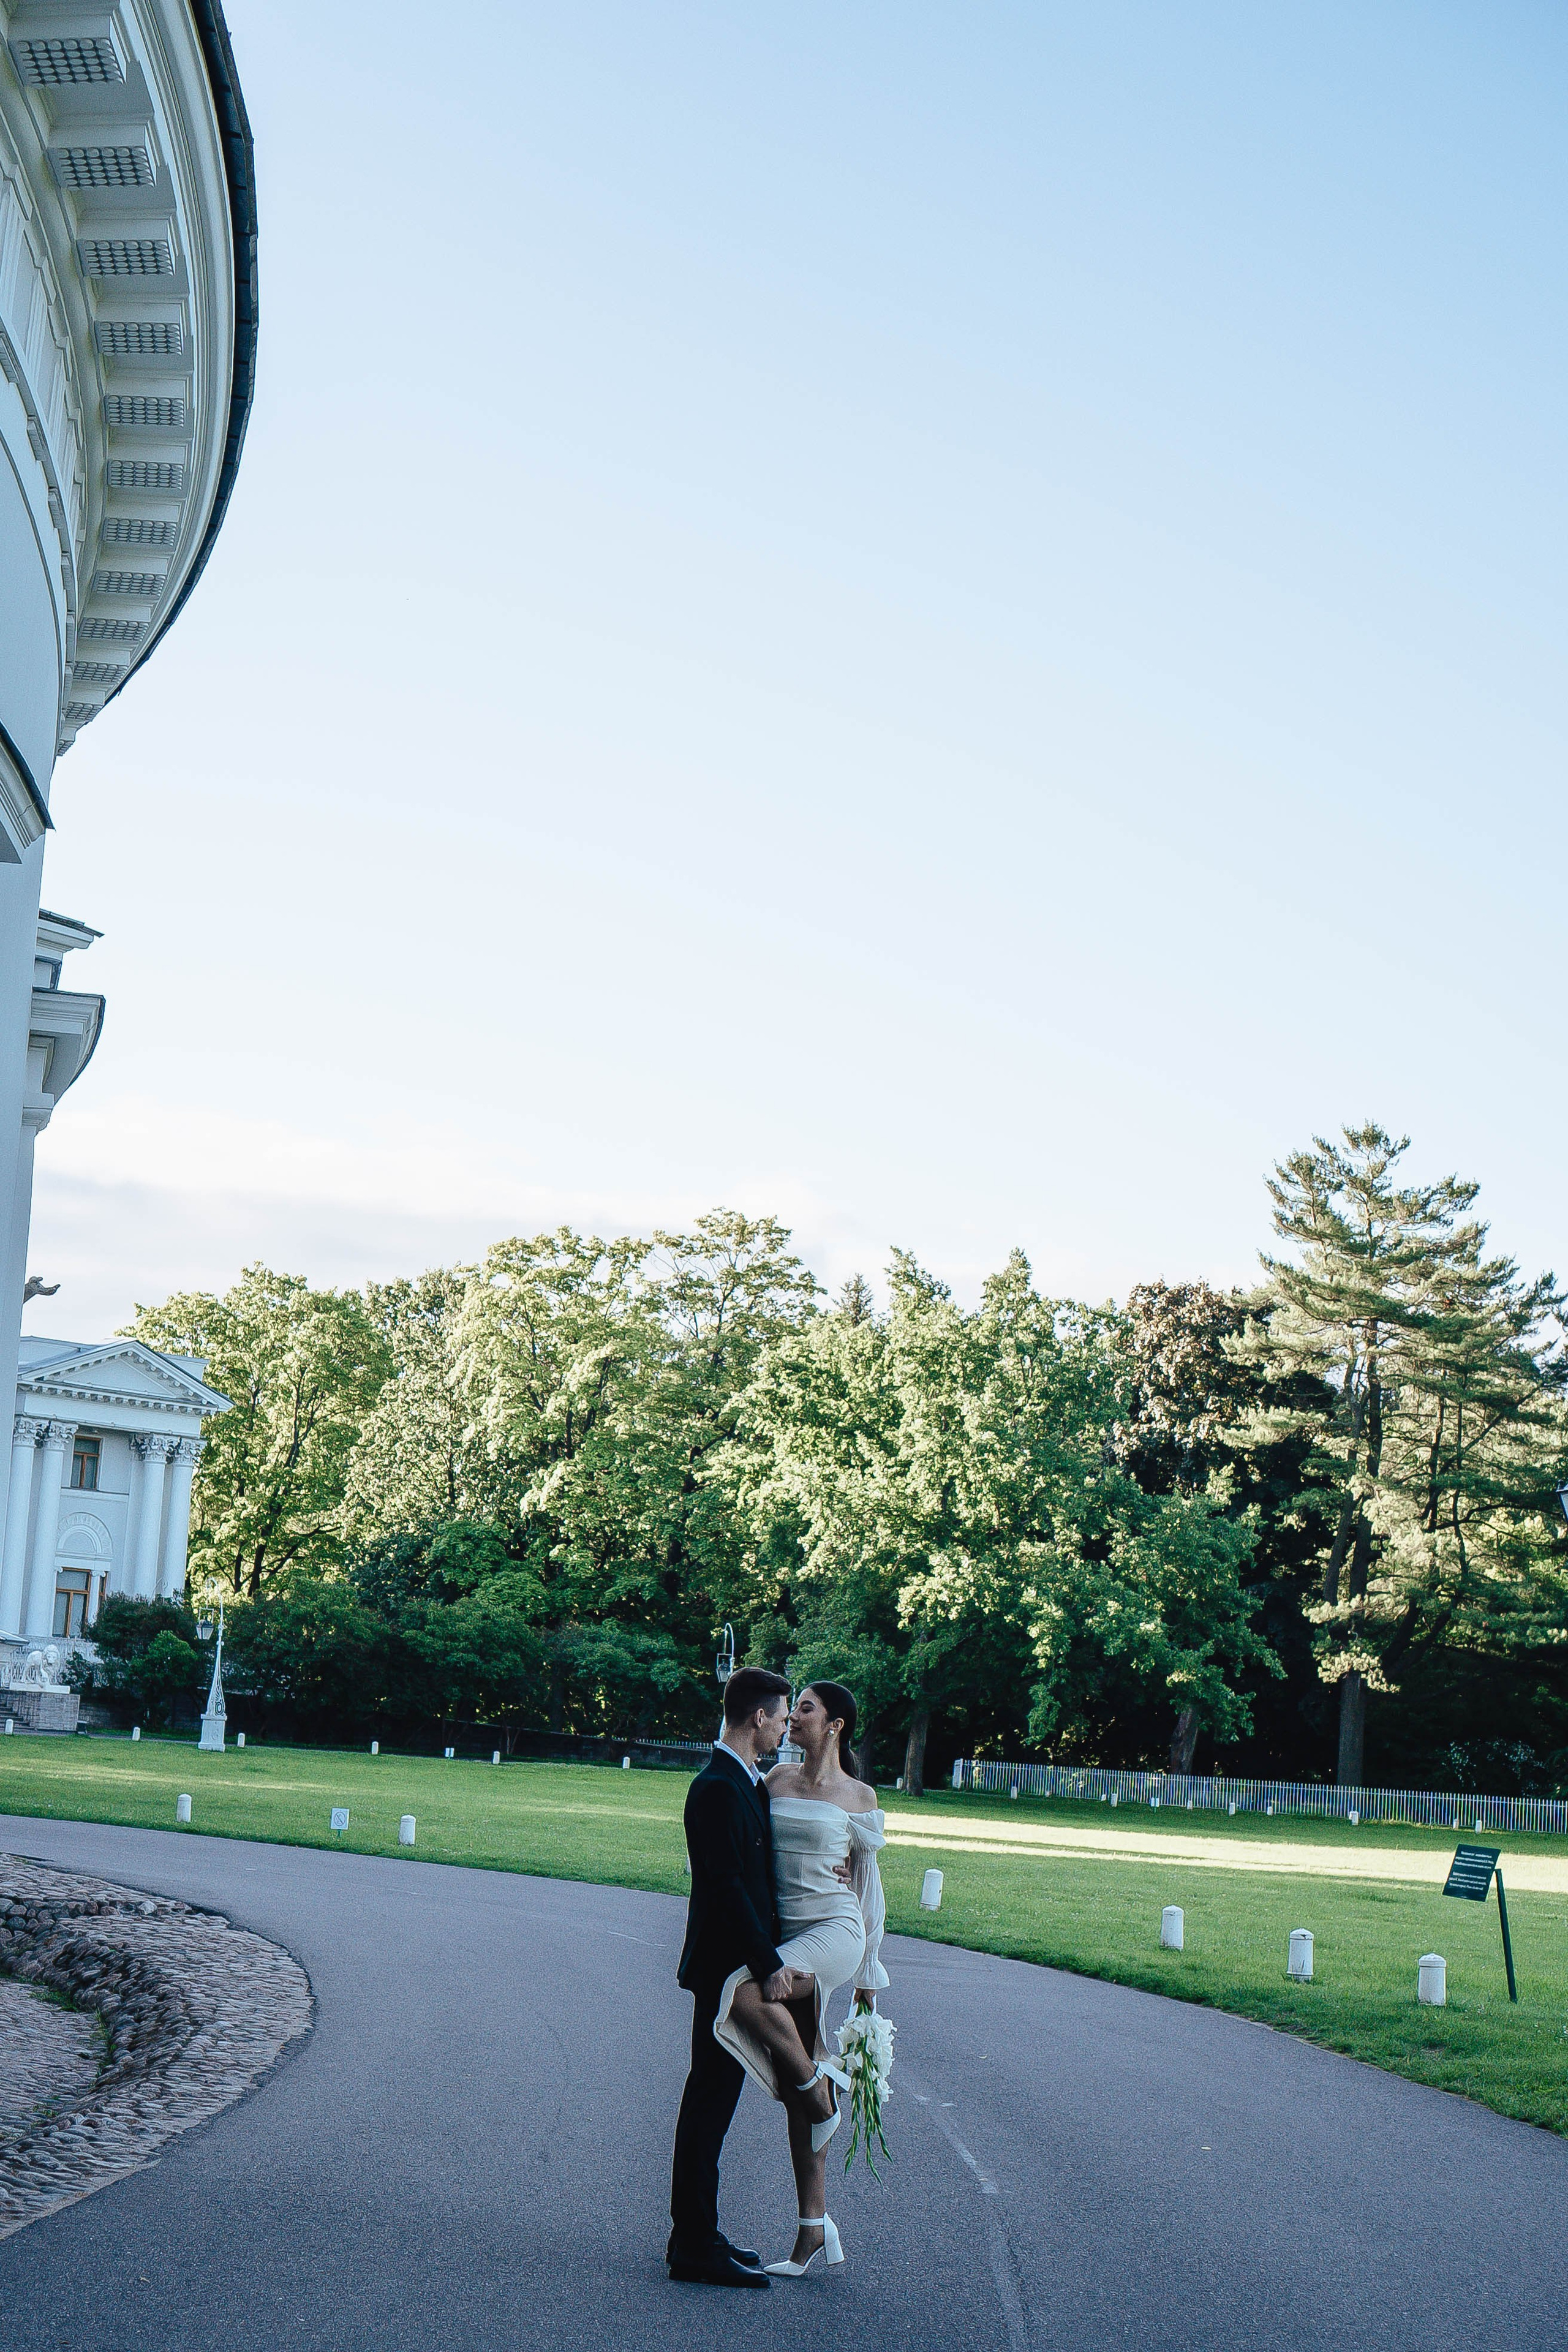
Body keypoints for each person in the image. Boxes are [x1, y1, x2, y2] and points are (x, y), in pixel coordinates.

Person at [714, 1679, 888, 2279]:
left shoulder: (859, 1796)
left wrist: (869, 1974)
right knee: (795, 2082)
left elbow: (867, 1888)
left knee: (744, 1994)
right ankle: (813, 2228)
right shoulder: (774, 1782)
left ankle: (818, 2087)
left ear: (834, 1725)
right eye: (792, 1711)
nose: (792, 1719)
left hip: (835, 1932)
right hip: (784, 1937)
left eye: (806, 1709)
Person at [668, 1665, 794, 2289]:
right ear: (757, 1717)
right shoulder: (715, 1787)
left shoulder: (747, 1782)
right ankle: (693, 2246)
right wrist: (767, 1965)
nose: (786, 1730)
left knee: (714, 2104)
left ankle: (699, 2234)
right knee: (708, 2107)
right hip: (725, 1971)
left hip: (735, 1966)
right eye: (782, 1718)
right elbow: (724, 1888)